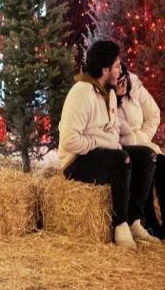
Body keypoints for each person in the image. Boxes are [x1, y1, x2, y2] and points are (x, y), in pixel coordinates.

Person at [59, 40, 158, 248]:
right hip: (76, 160)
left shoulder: (110, 93)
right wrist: (99, 142)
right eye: (117, 66)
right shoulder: (81, 93)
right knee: (121, 159)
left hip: (102, 153)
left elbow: (113, 133)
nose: (121, 70)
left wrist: (107, 143)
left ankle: (134, 221)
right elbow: (69, 140)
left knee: (147, 156)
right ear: (105, 69)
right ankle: (120, 225)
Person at [116, 63, 165, 238]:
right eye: (118, 81)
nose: (122, 84)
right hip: (122, 147)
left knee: (162, 164)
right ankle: (149, 222)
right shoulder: (105, 99)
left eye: (124, 79)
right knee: (146, 163)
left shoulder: (135, 87)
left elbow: (153, 114)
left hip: (143, 141)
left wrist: (142, 138)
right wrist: (133, 142)